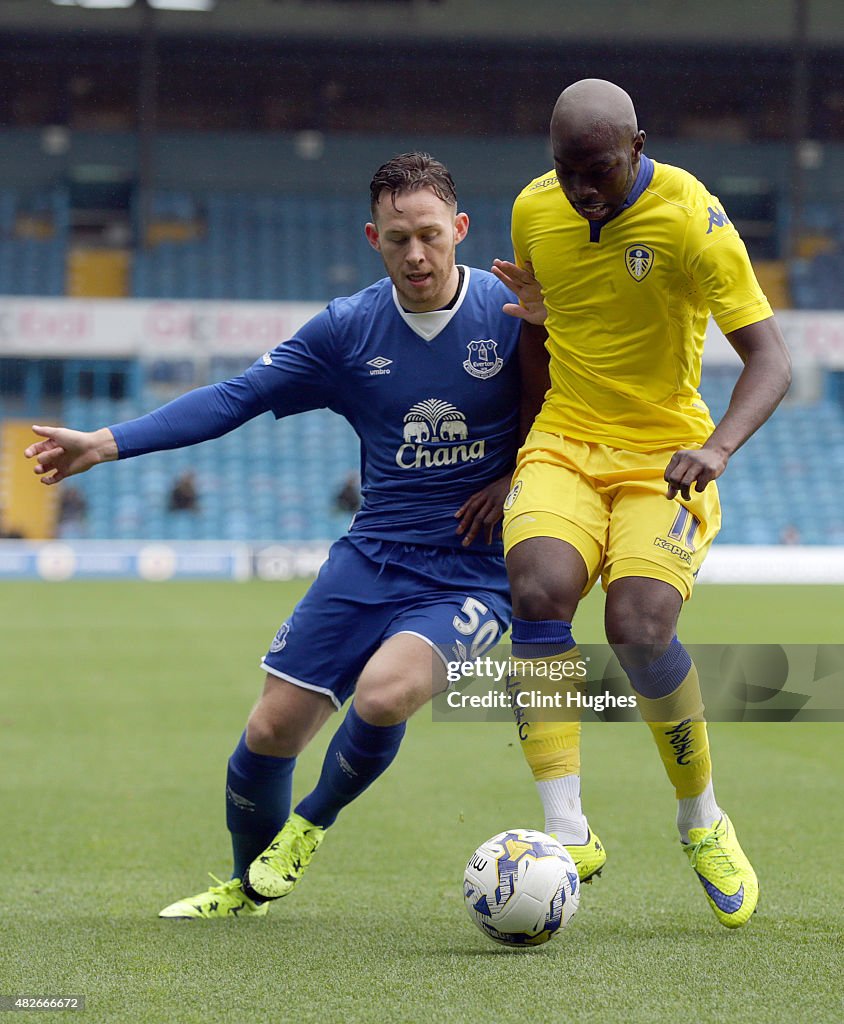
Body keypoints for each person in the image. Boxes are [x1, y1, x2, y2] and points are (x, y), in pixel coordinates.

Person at [25, 152, 548, 919]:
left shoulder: (510, 315)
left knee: (386, 692)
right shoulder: (347, 330)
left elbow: (571, 410)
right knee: (270, 729)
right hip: (372, 556)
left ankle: (308, 827)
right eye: (398, 238)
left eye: (430, 235)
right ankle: (244, 889)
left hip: (474, 570)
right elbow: (238, 395)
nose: (416, 254)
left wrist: (517, 476)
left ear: (460, 230)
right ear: (373, 237)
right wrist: (107, 442)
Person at [492, 80, 791, 928]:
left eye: (597, 171)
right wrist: (519, 450)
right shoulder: (533, 211)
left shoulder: (690, 215)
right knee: (540, 588)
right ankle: (567, 830)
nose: (580, 190)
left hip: (666, 454)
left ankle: (701, 818)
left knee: (639, 627)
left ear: (637, 145)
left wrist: (718, 447)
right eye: (566, 171)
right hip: (563, 441)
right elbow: (538, 333)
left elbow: (770, 359)